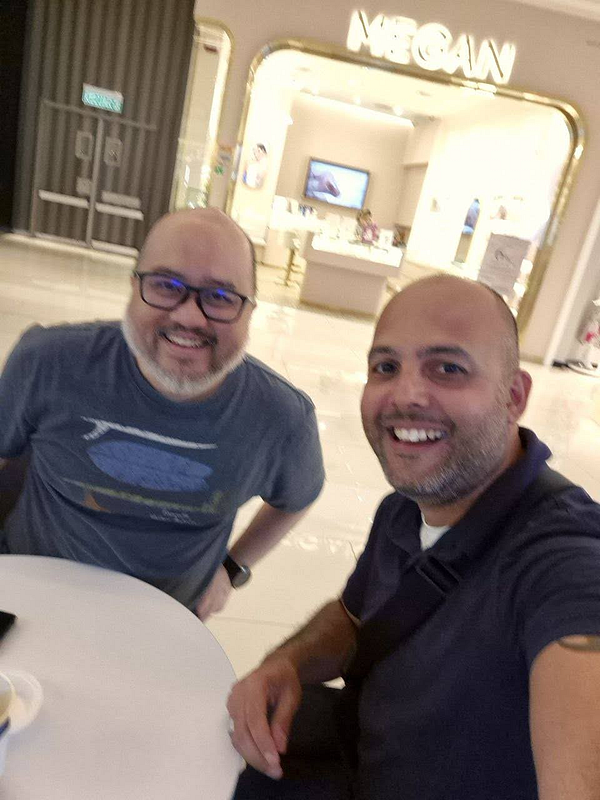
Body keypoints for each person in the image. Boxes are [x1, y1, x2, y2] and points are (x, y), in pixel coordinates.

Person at [228, 274, 600, 800]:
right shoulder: (405, 509)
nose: (405, 394)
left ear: (513, 396)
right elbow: (356, 619)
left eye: (448, 368)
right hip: (346, 760)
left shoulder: (564, 560)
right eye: (386, 367)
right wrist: (286, 663)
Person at [0, 208, 324, 619]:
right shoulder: (48, 362)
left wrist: (233, 568)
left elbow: (295, 499)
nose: (189, 317)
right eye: (165, 286)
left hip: (166, 619)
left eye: (221, 297)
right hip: (30, 594)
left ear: (250, 311)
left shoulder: (282, 420)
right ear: (133, 288)